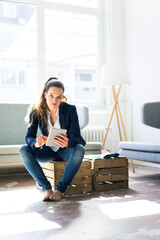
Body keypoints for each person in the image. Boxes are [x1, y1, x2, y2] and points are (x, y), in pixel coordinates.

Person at [19, 77, 86, 201]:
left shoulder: (70, 110)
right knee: (23, 150)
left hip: (66, 151)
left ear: (62, 97)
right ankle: (46, 188)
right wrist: (37, 144)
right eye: (51, 96)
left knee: (80, 148)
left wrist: (68, 143)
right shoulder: (36, 112)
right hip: (47, 151)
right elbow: (29, 137)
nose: (54, 101)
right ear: (45, 94)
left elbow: (78, 138)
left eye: (58, 97)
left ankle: (60, 189)